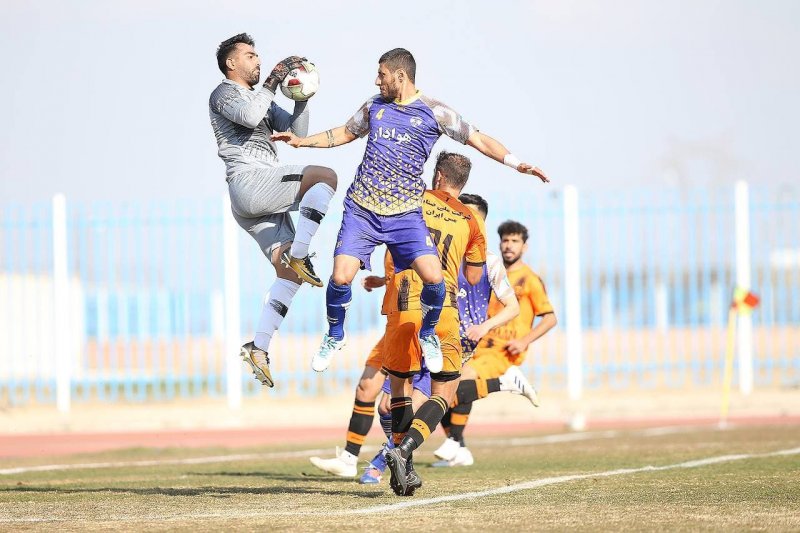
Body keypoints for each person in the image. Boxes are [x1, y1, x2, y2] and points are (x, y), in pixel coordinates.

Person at [271, 47, 549, 374]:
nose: (377, 81)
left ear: (400, 76)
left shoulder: (435, 112)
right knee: (340, 276)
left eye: (382, 75)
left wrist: (516, 164)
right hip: (362, 209)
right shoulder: (374, 107)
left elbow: (479, 139)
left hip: (405, 214)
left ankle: (428, 333)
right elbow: (344, 133)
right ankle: (334, 334)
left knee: (434, 277)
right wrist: (302, 142)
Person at [209, 34, 338, 388]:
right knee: (324, 176)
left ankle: (259, 347)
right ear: (231, 64)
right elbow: (250, 118)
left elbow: (296, 131)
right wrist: (272, 81)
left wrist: (302, 95)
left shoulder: (259, 98)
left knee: (289, 275)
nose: (258, 61)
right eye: (250, 56)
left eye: (259, 56)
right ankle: (301, 254)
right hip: (250, 183)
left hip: (259, 197)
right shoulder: (224, 94)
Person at [380, 154, 488, 496]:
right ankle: (406, 450)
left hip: (402, 300)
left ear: (437, 175)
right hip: (443, 307)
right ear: (461, 183)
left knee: (399, 387)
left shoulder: (411, 200)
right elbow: (473, 276)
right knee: (444, 390)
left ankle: (404, 468)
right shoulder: (472, 220)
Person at [434, 220, 557, 466]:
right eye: (505, 241)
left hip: (504, 351)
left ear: (525, 246)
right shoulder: (491, 273)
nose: (509, 246)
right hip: (479, 345)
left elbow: (550, 318)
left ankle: (456, 441)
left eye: (515, 241)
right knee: (441, 385)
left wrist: (524, 341)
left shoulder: (529, 279)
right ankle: (461, 450)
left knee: (459, 382)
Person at [307, 250, 431, 482]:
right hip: (394, 325)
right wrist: (384, 281)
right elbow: (407, 276)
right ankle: (349, 459)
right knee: (366, 387)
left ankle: (391, 458)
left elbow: (435, 276)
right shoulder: (393, 230)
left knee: (388, 406)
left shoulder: (424, 230)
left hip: (421, 327)